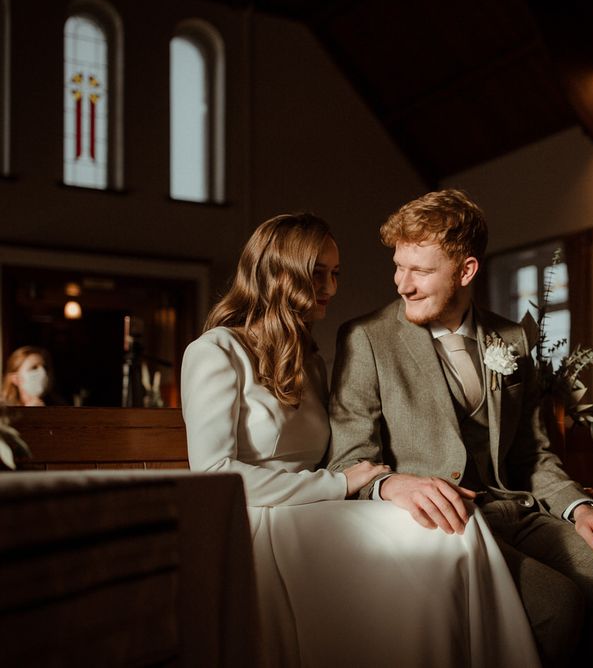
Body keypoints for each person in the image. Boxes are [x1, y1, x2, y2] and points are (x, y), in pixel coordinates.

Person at [328, 189, 593, 667]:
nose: (402, 284)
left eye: (420, 270)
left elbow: (533, 454)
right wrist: (394, 483)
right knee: (558, 607)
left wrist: (579, 508)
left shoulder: (514, 339)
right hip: (440, 528)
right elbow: (347, 459)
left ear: (466, 271)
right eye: (398, 266)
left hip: (519, 514)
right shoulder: (366, 339)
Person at [181, 212, 541, 668]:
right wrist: (341, 484)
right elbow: (214, 476)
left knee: (447, 527)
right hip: (260, 520)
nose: (331, 288)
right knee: (437, 535)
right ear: (279, 274)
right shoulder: (214, 352)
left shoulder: (310, 358)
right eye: (317, 275)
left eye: (335, 274)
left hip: (317, 511)